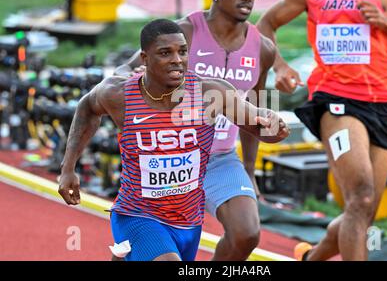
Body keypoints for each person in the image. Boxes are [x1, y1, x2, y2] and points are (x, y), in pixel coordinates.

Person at [58, 19, 289, 261]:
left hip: (188, 221)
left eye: (182, 51)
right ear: (145, 59)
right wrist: (68, 168)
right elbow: (86, 108)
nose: (177, 59)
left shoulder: (211, 93)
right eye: (165, 53)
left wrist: (274, 126)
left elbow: (256, 124)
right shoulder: (119, 94)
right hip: (138, 215)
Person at [115, 0, 295, 261]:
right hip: (170, 157)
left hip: (219, 159)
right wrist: (133, 75)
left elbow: (257, 110)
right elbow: (123, 71)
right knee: (160, 245)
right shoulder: (184, 32)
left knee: (247, 233)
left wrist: (249, 170)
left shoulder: (262, 48)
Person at [257, 0, 387, 261]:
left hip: (382, 102)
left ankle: (312, 258)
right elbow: (265, 25)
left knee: (364, 212)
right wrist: (279, 65)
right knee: (360, 197)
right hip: (334, 99)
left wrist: (386, 23)